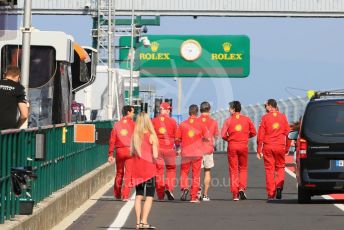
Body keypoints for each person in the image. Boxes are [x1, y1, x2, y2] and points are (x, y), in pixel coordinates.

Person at [221, 101, 256, 201]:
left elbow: (223, 135)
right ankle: (242, 188)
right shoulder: (247, 119)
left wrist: (231, 139)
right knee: (243, 168)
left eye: (229, 108)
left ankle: (235, 194)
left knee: (233, 169)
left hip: (232, 145)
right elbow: (254, 132)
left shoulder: (228, 120)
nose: (228, 110)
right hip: (243, 145)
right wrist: (245, 137)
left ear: (233, 109)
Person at [257, 99, 290, 200]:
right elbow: (288, 134)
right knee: (280, 167)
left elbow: (260, 135)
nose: (265, 107)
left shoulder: (265, 118)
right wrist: (287, 148)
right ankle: (279, 187)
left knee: (269, 170)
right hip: (280, 146)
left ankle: (271, 193)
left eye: (265, 105)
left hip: (268, 146)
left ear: (270, 106)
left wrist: (259, 149)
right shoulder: (283, 117)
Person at [131, 112, 158, 229]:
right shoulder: (152, 136)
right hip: (149, 169)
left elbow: (132, 153)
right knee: (150, 195)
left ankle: (137, 222)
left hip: (137, 169)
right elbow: (156, 155)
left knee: (138, 195)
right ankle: (144, 221)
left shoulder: (134, 136)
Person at [176, 104, 206, 203]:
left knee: (184, 172)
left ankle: (184, 187)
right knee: (196, 174)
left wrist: (178, 147)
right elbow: (206, 138)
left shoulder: (183, 124)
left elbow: (177, 139)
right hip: (197, 153)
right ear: (197, 113)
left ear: (189, 112)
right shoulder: (201, 124)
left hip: (186, 153)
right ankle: (193, 197)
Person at [152, 102, 178, 201]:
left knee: (159, 172)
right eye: (168, 109)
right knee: (171, 170)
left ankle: (160, 195)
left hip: (158, 149)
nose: (168, 111)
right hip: (169, 149)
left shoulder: (154, 121)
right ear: (164, 110)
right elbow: (177, 137)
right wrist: (178, 148)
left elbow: (149, 135)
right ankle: (169, 188)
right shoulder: (173, 122)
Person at [108, 105, 135, 201]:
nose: (133, 114)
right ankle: (125, 195)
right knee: (129, 174)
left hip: (119, 151)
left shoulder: (117, 125)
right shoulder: (133, 124)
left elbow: (112, 140)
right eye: (132, 112)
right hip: (130, 150)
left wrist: (110, 154)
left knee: (119, 173)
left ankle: (117, 194)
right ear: (128, 112)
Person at [198, 101, 219, 201]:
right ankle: (205, 195)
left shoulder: (196, 121)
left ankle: (197, 191)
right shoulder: (213, 122)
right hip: (208, 149)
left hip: (197, 149)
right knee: (207, 171)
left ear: (200, 109)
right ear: (209, 110)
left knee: (196, 172)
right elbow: (216, 135)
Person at [0, 65, 28, 130]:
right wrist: (16, 127)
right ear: (18, 76)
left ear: (4, 75)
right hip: (7, 130)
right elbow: (24, 115)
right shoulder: (19, 88)